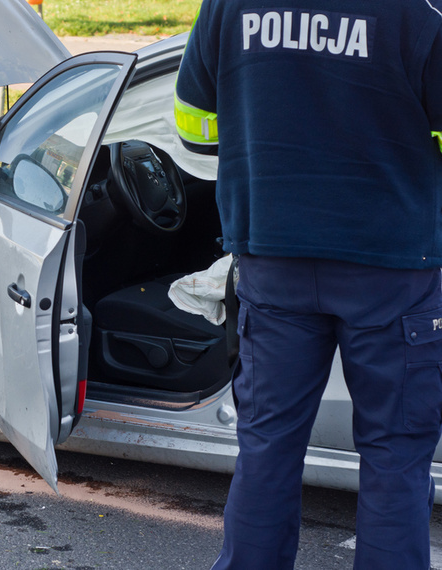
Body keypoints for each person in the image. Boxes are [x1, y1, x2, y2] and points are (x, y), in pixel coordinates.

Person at [174, 1, 442, 568]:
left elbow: (194, 127)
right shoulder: (417, 10)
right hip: (391, 263)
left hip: (273, 255)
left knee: (267, 448)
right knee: (395, 456)